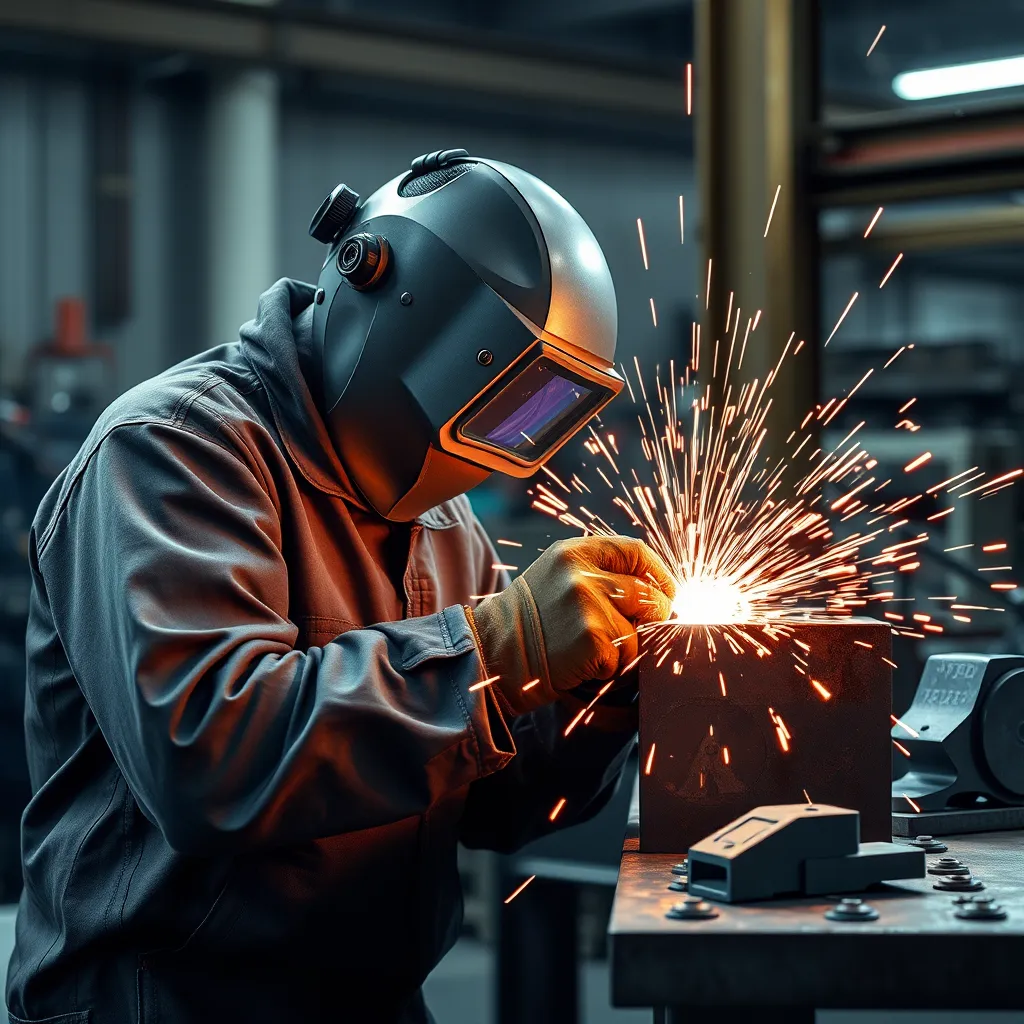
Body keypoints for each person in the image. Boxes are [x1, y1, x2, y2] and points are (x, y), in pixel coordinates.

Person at [6, 149, 674, 1023]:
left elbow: (495, 806)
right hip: (166, 1002)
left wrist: (598, 701)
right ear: (385, 295)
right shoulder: (172, 452)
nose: (496, 445)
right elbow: (209, 760)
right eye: (497, 400)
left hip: (371, 1003)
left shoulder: (441, 519)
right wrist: (499, 650)